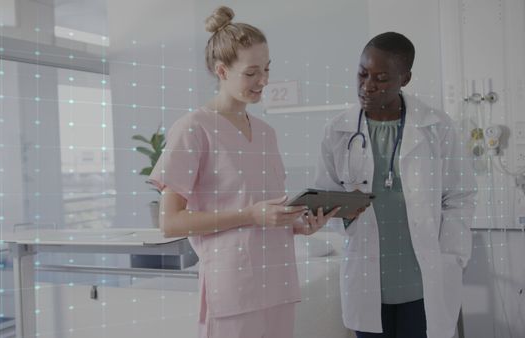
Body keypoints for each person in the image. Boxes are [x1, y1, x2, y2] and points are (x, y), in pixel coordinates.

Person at [148, 6, 340, 338]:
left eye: (266, 69)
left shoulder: (266, 132)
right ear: (222, 71)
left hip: (278, 281)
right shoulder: (194, 129)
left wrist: (296, 224)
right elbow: (170, 222)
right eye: (252, 72)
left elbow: (263, 209)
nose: (263, 81)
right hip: (234, 288)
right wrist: (250, 215)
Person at [314, 32, 476, 338]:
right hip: (368, 280)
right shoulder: (337, 131)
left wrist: (453, 254)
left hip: (424, 281)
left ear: (406, 78)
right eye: (362, 74)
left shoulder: (436, 126)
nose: (367, 85)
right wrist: (344, 211)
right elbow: (326, 197)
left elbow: (460, 196)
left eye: (382, 78)